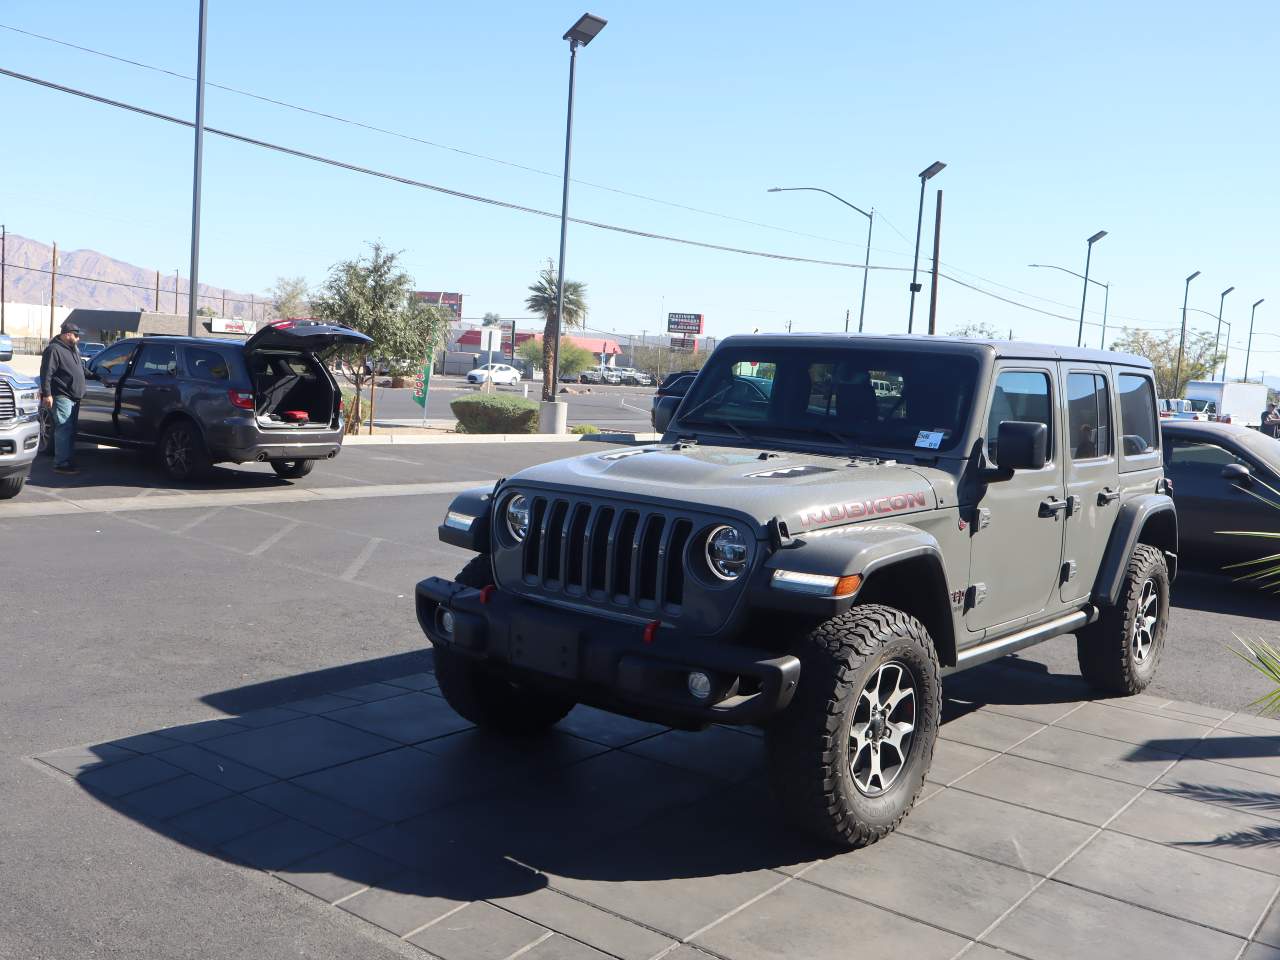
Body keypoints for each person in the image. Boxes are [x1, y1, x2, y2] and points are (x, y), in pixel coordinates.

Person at [39, 320, 87, 475]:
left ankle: (67, 459)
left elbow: (81, 369)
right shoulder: (54, 350)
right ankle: (61, 464)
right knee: (63, 429)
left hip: (74, 396)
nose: (78, 338)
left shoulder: (73, 350)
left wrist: (99, 375)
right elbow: (46, 373)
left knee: (70, 430)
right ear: (67, 335)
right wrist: (47, 394)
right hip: (62, 396)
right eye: (76, 335)